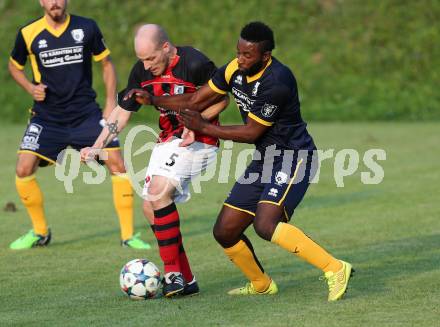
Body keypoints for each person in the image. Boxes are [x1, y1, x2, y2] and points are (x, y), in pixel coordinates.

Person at [125, 21, 354, 302]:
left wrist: (204, 127)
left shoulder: (277, 82)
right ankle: (261, 283)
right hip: (265, 159)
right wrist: (154, 99)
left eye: (248, 55)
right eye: (239, 52)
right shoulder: (234, 68)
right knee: (225, 231)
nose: (241, 59)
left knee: (265, 225)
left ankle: (335, 268)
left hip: (294, 157)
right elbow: (198, 98)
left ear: (265, 55)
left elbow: (251, 132)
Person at [80, 24, 228, 297]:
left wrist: (198, 122)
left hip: (200, 140)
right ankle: (187, 278)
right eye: (142, 60)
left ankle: (172, 274)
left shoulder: (195, 63)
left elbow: (222, 99)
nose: (147, 66)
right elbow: (121, 113)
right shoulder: (141, 72)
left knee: (159, 193)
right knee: (151, 208)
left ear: (166, 47)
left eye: (151, 59)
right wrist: (97, 145)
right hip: (168, 140)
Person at [8, 0, 150, 250]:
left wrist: (109, 102)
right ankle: (40, 232)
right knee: (23, 168)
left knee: (117, 164)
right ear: (41, 2)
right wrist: (30, 87)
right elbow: (14, 66)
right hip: (46, 117)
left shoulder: (86, 27)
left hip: (85, 114)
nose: (54, 3)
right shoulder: (28, 33)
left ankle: (128, 236)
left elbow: (106, 64)